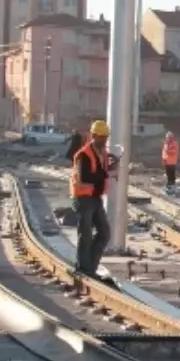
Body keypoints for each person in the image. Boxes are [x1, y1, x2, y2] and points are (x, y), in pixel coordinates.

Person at [70, 119, 116, 278]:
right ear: (93, 136)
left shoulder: (102, 153)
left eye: (106, 137)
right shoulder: (84, 155)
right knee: (86, 234)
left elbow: (100, 172)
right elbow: (85, 177)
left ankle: (90, 267)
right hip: (83, 198)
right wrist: (104, 173)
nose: (104, 140)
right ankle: (83, 268)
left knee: (104, 233)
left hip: (95, 198)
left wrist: (109, 168)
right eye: (101, 137)